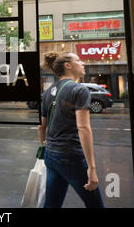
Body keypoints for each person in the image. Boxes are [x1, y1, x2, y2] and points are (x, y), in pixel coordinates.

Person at [38, 51, 105, 208]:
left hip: (51, 155)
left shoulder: (48, 92)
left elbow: (41, 127)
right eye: (79, 60)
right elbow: (83, 128)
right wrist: (92, 168)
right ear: (68, 66)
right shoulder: (79, 90)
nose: (83, 63)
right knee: (95, 205)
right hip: (71, 156)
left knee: (52, 204)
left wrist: (45, 145)